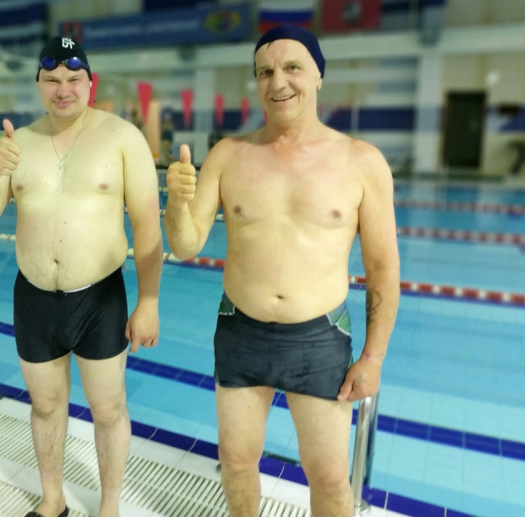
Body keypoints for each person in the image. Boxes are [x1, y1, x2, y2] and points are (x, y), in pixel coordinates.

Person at [164, 26, 400, 517]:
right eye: (265, 72)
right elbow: (186, 246)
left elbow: (382, 267)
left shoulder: (361, 162)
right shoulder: (229, 154)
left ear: (318, 75)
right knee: (235, 463)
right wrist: (176, 205)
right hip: (240, 329)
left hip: (319, 338)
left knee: (330, 480)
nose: (278, 82)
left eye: (293, 68)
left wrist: (373, 357)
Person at [0, 36, 163, 517]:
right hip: (34, 296)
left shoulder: (123, 138)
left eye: (74, 79)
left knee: (108, 409)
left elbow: (147, 225)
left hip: (100, 299)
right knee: (46, 406)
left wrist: (149, 302)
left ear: (90, 83)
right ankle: (52, 500)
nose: (63, 89)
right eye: (51, 80)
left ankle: (109, 506)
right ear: (38, 84)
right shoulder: (17, 143)